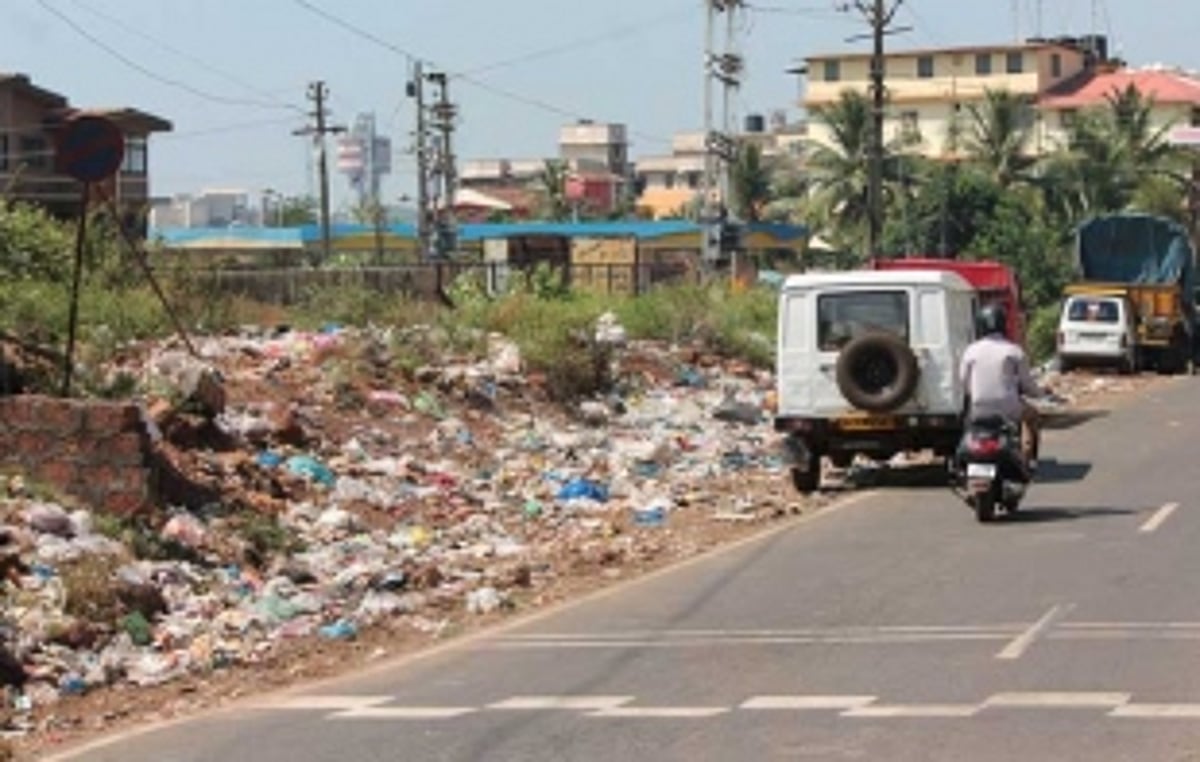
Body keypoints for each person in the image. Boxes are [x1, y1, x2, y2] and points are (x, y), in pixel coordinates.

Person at [959, 303, 1045, 471]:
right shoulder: (1013, 351)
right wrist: (1040, 394)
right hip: (1009, 408)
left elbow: (963, 381)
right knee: (1032, 416)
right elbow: (1027, 384)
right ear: (1003, 324)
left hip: (979, 408)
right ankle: (1028, 459)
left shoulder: (970, 351)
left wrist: (975, 394)